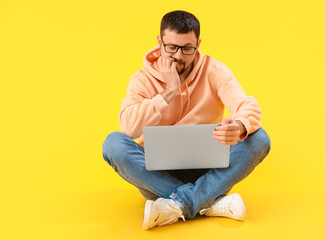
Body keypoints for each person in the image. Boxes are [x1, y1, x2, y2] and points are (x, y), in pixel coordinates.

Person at [102, 10, 271, 230]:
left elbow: (248, 105)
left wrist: (239, 124)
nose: (179, 56)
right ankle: (208, 200)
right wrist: (168, 92)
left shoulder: (215, 70)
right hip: (156, 175)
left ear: (198, 44)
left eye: (187, 48)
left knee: (259, 139)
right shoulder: (141, 79)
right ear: (159, 41)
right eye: (171, 47)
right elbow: (128, 127)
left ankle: (177, 203)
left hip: (208, 169)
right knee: (113, 144)